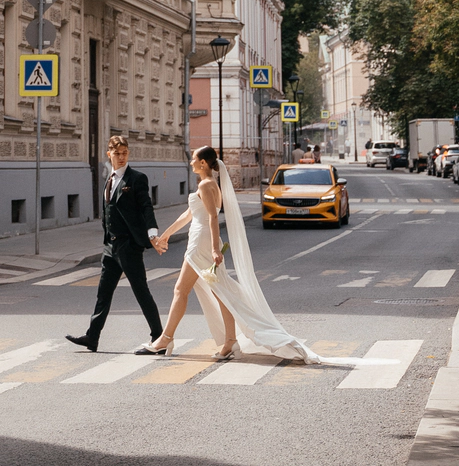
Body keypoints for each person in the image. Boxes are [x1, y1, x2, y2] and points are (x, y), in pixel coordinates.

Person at [136, 146, 318, 362]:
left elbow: (213, 217)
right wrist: (166, 235)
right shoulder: (209, 184)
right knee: (220, 292)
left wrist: (214, 248)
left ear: (203, 163)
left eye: (194, 159)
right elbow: (189, 215)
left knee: (181, 290)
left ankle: (165, 339)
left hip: (201, 243)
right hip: (200, 240)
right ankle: (229, 340)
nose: (191, 162)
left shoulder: (206, 185)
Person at [66, 135, 163, 353]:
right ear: (108, 154)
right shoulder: (109, 178)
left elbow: (146, 207)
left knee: (141, 292)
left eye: (125, 153)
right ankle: (92, 337)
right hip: (110, 246)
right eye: (117, 153)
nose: (121, 157)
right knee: (103, 293)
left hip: (129, 246)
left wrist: (152, 233)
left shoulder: (137, 179)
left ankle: (158, 337)